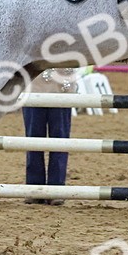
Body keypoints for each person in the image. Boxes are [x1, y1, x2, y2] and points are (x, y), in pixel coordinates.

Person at [23, 68, 82, 205]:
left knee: (59, 140)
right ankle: (34, 188)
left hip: (62, 90)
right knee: (33, 141)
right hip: (34, 88)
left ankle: (56, 188)